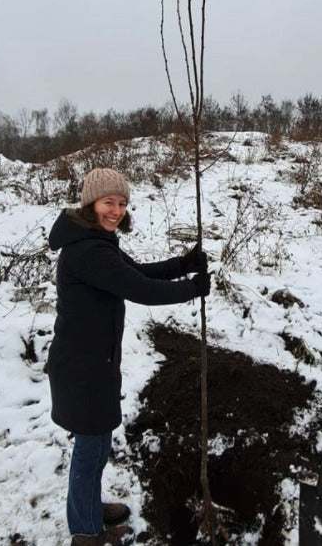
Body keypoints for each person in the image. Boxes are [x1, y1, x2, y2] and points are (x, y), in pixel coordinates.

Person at [47, 168, 210, 546]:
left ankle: (87, 507)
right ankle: (86, 532)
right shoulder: (87, 251)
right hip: (84, 368)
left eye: (122, 203)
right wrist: (191, 290)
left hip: (91, 362)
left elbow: (134, 271)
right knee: (91, 449)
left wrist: (182, 264)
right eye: (109, 202)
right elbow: (139, 288)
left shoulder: (97, 241)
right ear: (91, 203)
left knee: (97, 445)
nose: (116, 210)